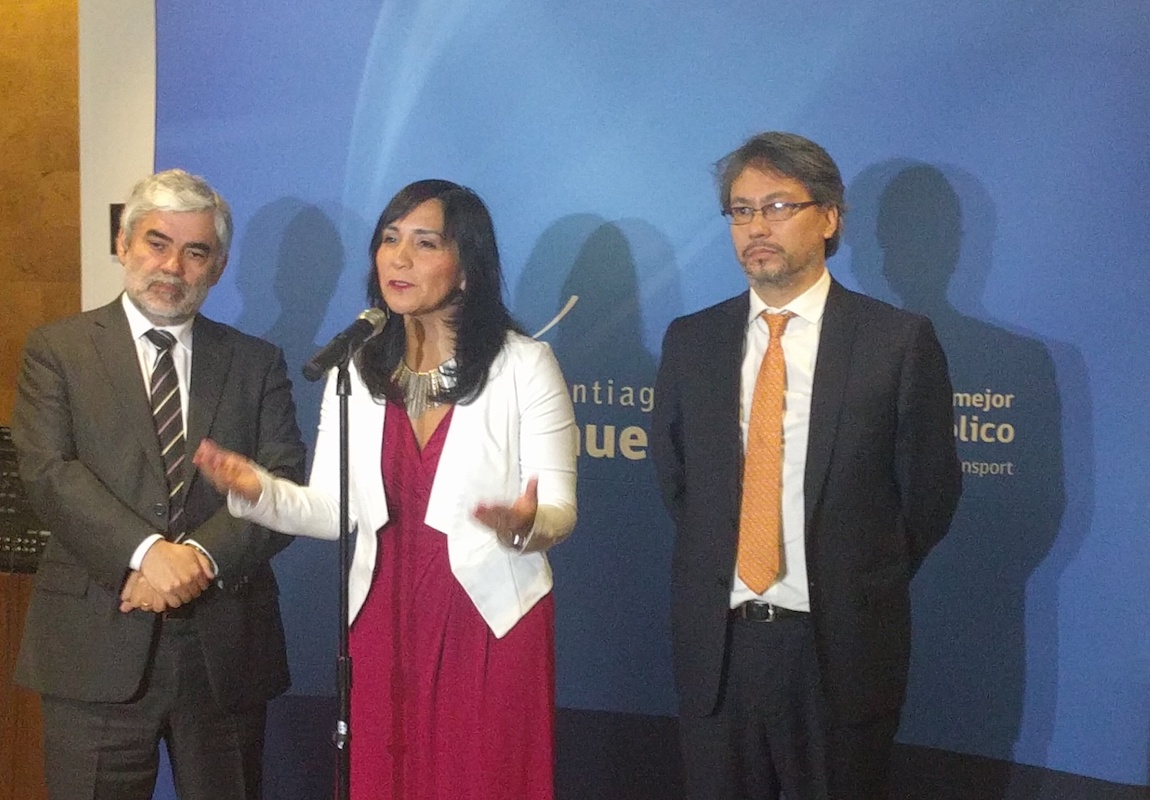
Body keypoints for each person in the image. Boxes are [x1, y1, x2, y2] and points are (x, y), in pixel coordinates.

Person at [194, 178, 578, 800]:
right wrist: (258, 490)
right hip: (382, 616)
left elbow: (559, 510)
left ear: (467, 267)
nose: (399, 258)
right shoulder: (357, 367)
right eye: (389, 239)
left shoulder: (523, 365)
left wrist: (525, 525)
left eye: (425, 243)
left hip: (487, 617)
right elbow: (331, 510)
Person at [650, 132, 961, 800]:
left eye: (777, 206)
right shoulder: (692, 342)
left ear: (828, 217)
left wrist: (857, 572)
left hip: (838, 652)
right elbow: (680, 485)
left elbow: (928, 497)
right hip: (720, 653)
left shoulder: (896, 343)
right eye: (741, 211)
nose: (756, 227)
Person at [11, 169, 306, 800]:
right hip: (95, 639)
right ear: (122, 244)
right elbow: (49, 471)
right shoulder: (57, 350)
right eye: (156, 242)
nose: (172, 266)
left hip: (224, 645)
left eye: (195, 251)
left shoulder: (257, 363)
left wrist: (196, 557)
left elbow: (281, 479)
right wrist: (147, 554)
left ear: (218, 267)